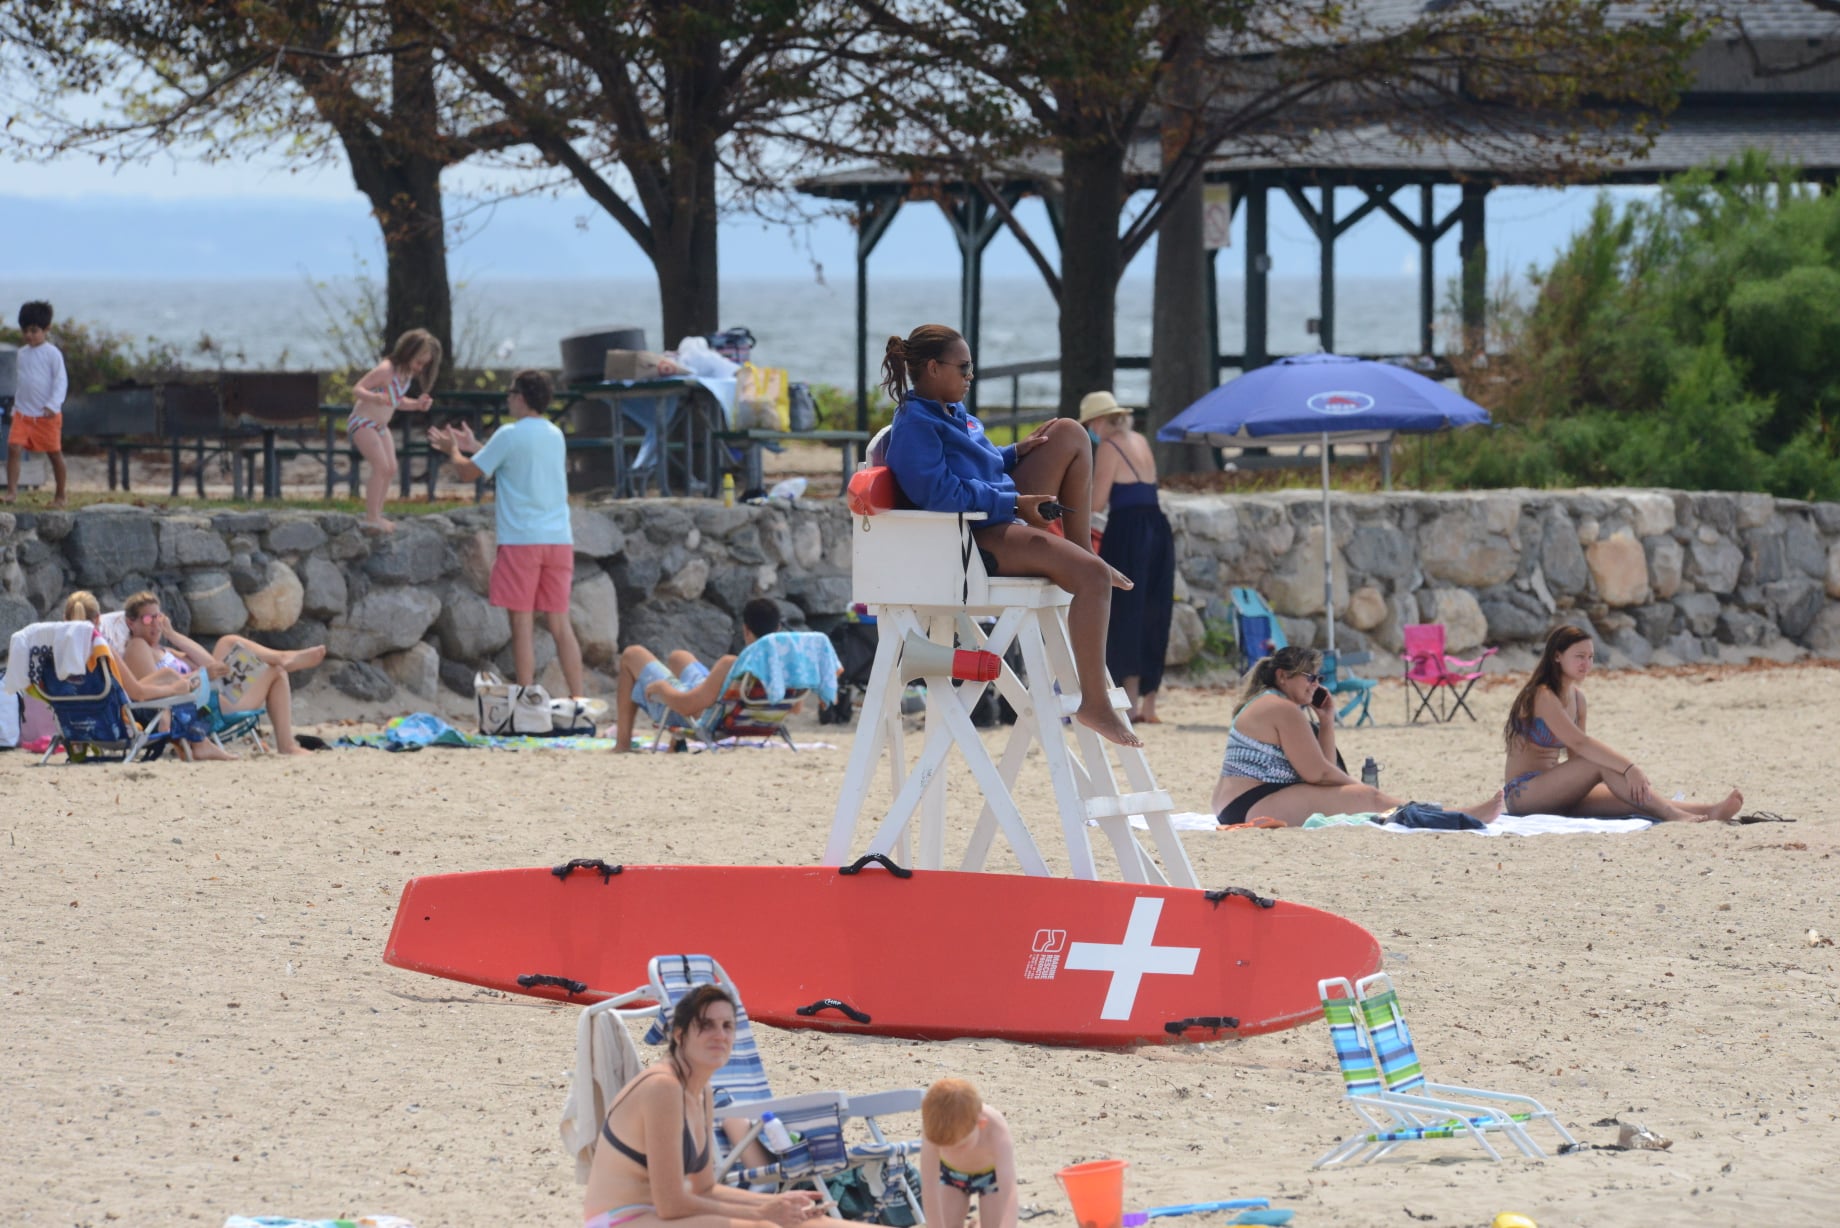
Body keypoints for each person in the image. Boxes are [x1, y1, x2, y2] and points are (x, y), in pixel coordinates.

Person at [880, 324, 1139, 748]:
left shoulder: (951, 410)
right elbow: (940, 495)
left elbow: (976, 463)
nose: (970, 376)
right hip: (973, 539)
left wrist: (1014, 452)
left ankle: (1080, 550)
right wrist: (1015, 505)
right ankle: (1093, 703)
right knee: (1091, 577)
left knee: (1070, 432)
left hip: (997, 513)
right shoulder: (915, 425)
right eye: (963, 368)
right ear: (932, 368)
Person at [582, 983, 848, 1228]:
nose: (720, 1035)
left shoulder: (703, 1092)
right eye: (706, 1025)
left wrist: (780, 1202)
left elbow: (705, 1189)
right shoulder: (663, 1087)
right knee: (764, 1226)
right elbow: (671, 1204)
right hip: (622, 1219)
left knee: (817, 1223)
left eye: (727, 1026)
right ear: (679, 1035)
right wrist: (762, 1212)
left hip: (661, 1216)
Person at [429, 368, 586, 705]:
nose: (508, 399)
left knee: (522, 623)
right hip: (559, 540)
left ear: (522, 397)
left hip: (522, 542)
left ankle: (527, 700)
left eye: (511, 393)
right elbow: (517, 462)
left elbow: (467, 472)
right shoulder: (555, 434)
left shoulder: (509, 434)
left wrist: (453, 450)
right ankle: (579, 701)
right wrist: (476, 447)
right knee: (560, 624)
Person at [1213, 646, 1504, 827]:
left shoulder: (1268, 703)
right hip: (1253, 805)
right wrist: (1358, 787)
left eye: (1319, 678)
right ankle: (1460, 816)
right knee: (1369, 798)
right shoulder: (1283, 709)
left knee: (1364, 798)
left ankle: (1454, 813)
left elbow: (1324, 769)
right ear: (1282, 676)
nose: (1316, 684)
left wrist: (1326, 721)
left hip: (1238, 804)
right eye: (1309, 677)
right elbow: (1318, 774)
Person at [1502, 624, 1742, 822]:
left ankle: (1710, 811)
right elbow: (1580, 743)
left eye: (1590, 657)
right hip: (1523, 794)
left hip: (1555, 790)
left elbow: (1576, 758)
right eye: (1579, 656)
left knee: (1629, 796)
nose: (1586, 664)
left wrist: (1617, 780)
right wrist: (1629, 768)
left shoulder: (1578, 699)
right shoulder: (1542, 695)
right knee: (1602, 763)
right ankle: (1672, 815)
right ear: (1557, 656)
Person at [116, 590, 320, 757]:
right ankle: (287, 744)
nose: (155, 623)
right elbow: (155, 692)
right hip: (199, 709)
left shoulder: (166, 651)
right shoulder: (137, 646)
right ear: (131, 623)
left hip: (210, 695)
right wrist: (201, 675)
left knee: (227, 642)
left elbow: (210, 664)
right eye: (147, 618)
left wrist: (172, 634)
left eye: (158, 617)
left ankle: (282, 658)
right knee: (276, 671)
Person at [1082, 390, 1174, 726]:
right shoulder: (1140, 440)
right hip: (1158, 527)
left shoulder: (1109, 446)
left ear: (1100, 421)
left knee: (1127, 610)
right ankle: (1150, 702)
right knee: (1156, 610)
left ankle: (1131, 701)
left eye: (1090, 424)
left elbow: (1097, 502)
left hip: (1129, 531)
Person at [611, 597, 781, 751]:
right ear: (778, 630)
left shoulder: (731, 664)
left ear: (746, 631)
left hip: (695, 715)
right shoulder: (781, 669)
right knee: (678, 657)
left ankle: (622, 744)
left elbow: (688, 707)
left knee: (632, 654)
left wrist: (662, 689)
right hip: (722, 707)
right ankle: (676, 744)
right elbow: (793, 708)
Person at [349, 328, 442, 533]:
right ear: (408, 352)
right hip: (363, 423)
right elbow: (358, 388)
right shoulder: (386, 370)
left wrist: (417, 404)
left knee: (391, 468)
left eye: (424, 365)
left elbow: (397, 401)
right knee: (380, 466)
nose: (419, 368)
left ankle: (378, 513)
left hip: (381, 426)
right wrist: (373, 397)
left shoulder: (405, 374)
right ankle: (372, 517)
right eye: (418, 362)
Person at [60, 590, 198, 706]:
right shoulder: (102, 650)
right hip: (112, 721)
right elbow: (137, 693)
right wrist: (173, 689)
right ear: (97, 619)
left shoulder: (55, 652)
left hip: (70, 720)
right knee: (168, 675)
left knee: (168, 674)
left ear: (65, 619)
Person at [919, 1078, 1017, 1228]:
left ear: (981, 1124)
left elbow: (1009, 1192)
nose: (951, 1151)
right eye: (943, 1148)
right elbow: (929, 1187)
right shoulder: (934, 1127)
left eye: (960, 1146)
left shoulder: (997, 1129)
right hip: (951, 1175)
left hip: (991, 1177)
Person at [5, 300, 69, 506]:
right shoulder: (22, 354)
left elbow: (61, 381)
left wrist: (53, 404)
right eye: (25, 331)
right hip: (23, 413)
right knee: (13, 448)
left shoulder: (53, 354)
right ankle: (11, 492)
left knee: (54, 453)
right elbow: (22, 383)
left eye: (34, 331)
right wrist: (16, 407)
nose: (29, 335)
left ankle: (61, 495)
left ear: (46, 329)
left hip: (46, 415)